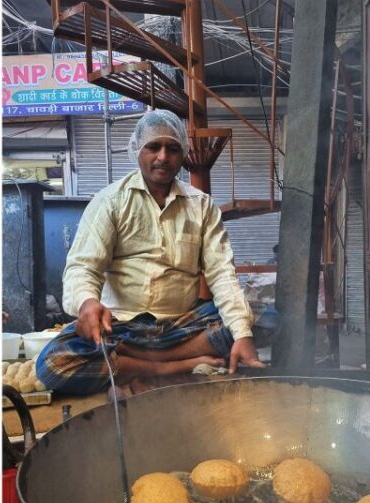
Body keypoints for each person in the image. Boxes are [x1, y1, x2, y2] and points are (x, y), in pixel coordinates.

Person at [36, 109, 269, 395]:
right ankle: (170, 367)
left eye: (172, 149)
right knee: (53, 362)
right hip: (122, 328)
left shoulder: (201, 206)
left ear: (183, 154)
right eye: (154, 147)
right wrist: (87, 302)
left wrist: (242, 334)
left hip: (181, 325)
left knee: (266, 318)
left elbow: (222, 273)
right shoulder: (110, 201)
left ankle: (137, 364)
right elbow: (83, 267)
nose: (163, 157)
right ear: (137, 150)